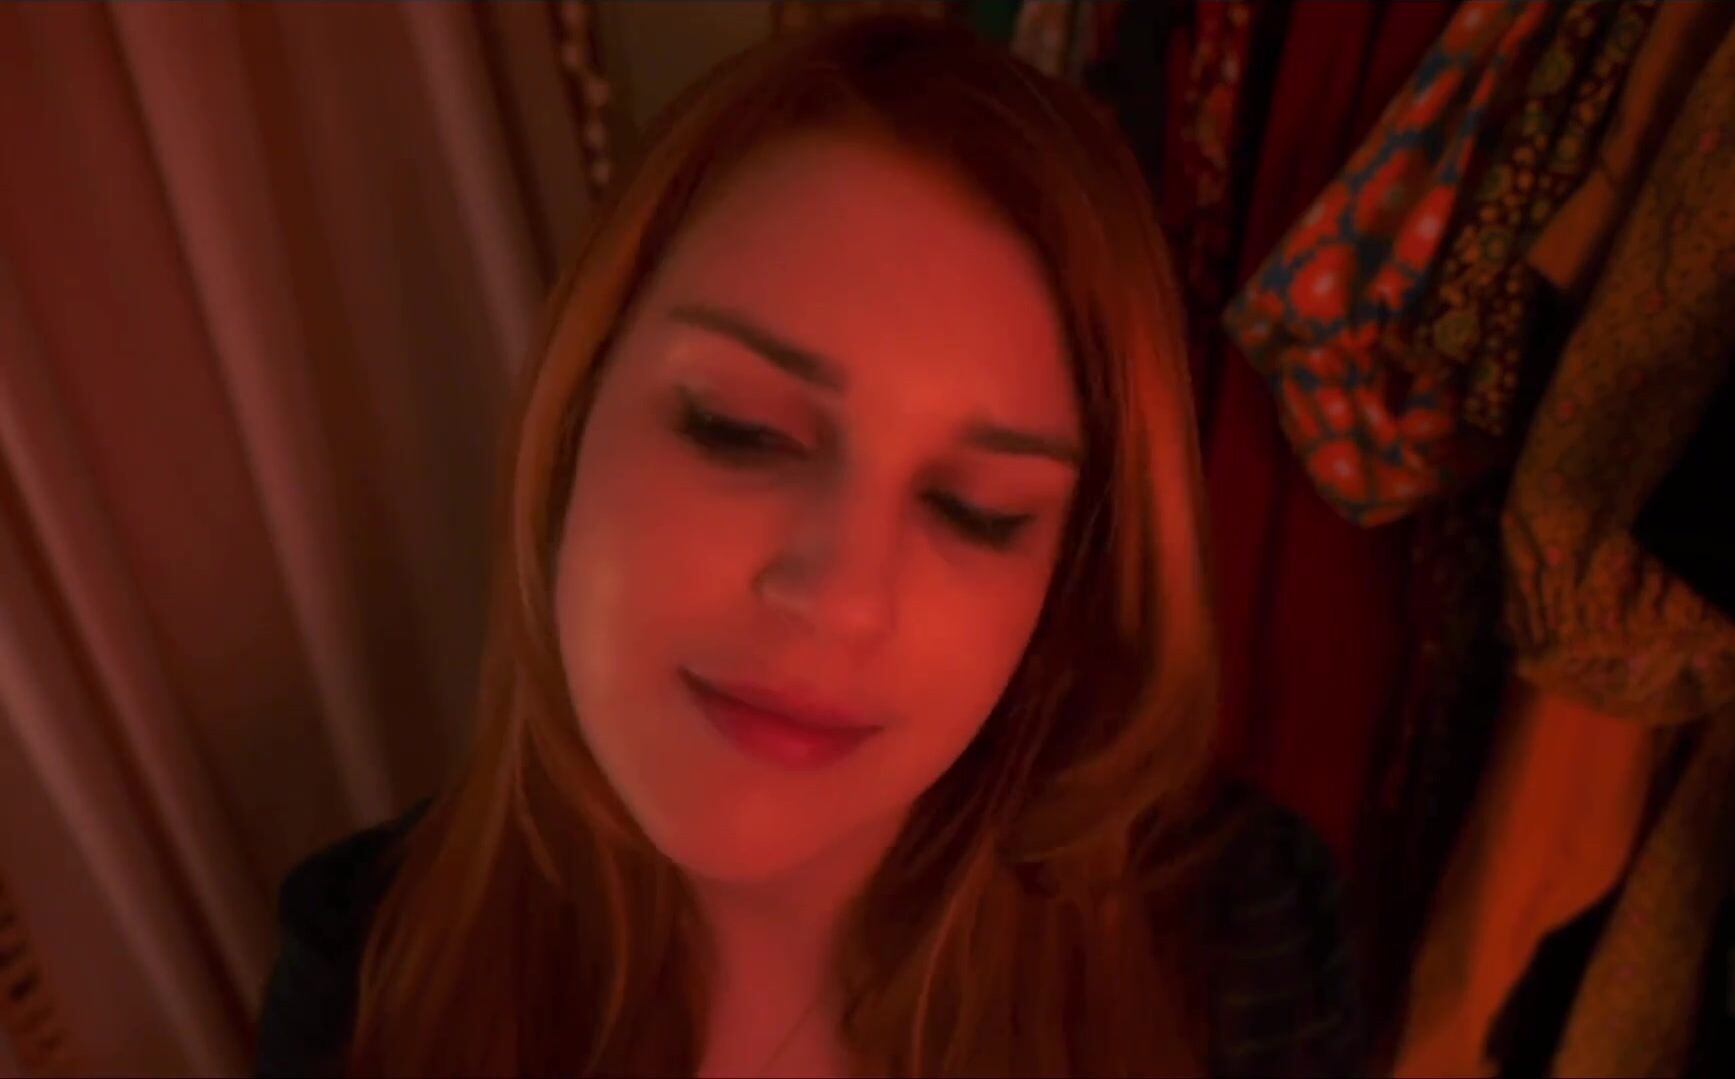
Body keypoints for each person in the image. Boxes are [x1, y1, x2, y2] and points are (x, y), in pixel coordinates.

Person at [255, 14, 1358, 1078]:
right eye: (742, 430)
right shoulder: (364, 969)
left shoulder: (1234, 939)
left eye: (975, 509)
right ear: (574, 410)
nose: (842, 596)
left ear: (1062, 583)